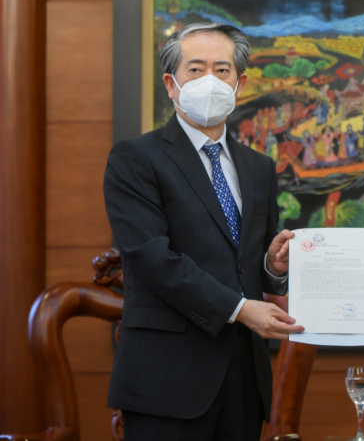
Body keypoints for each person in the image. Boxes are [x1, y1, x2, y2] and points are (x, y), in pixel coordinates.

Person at [103, 23, 304, 441]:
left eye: (222, 69)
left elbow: (250, 264)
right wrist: (240, 308)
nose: (210, 80)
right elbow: (152, 257)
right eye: (195, 70)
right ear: (171, 84)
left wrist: (272, 265)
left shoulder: (258, 167)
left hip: (245, 377)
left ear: (240, 83)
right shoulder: (135, 158)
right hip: (167, 376)